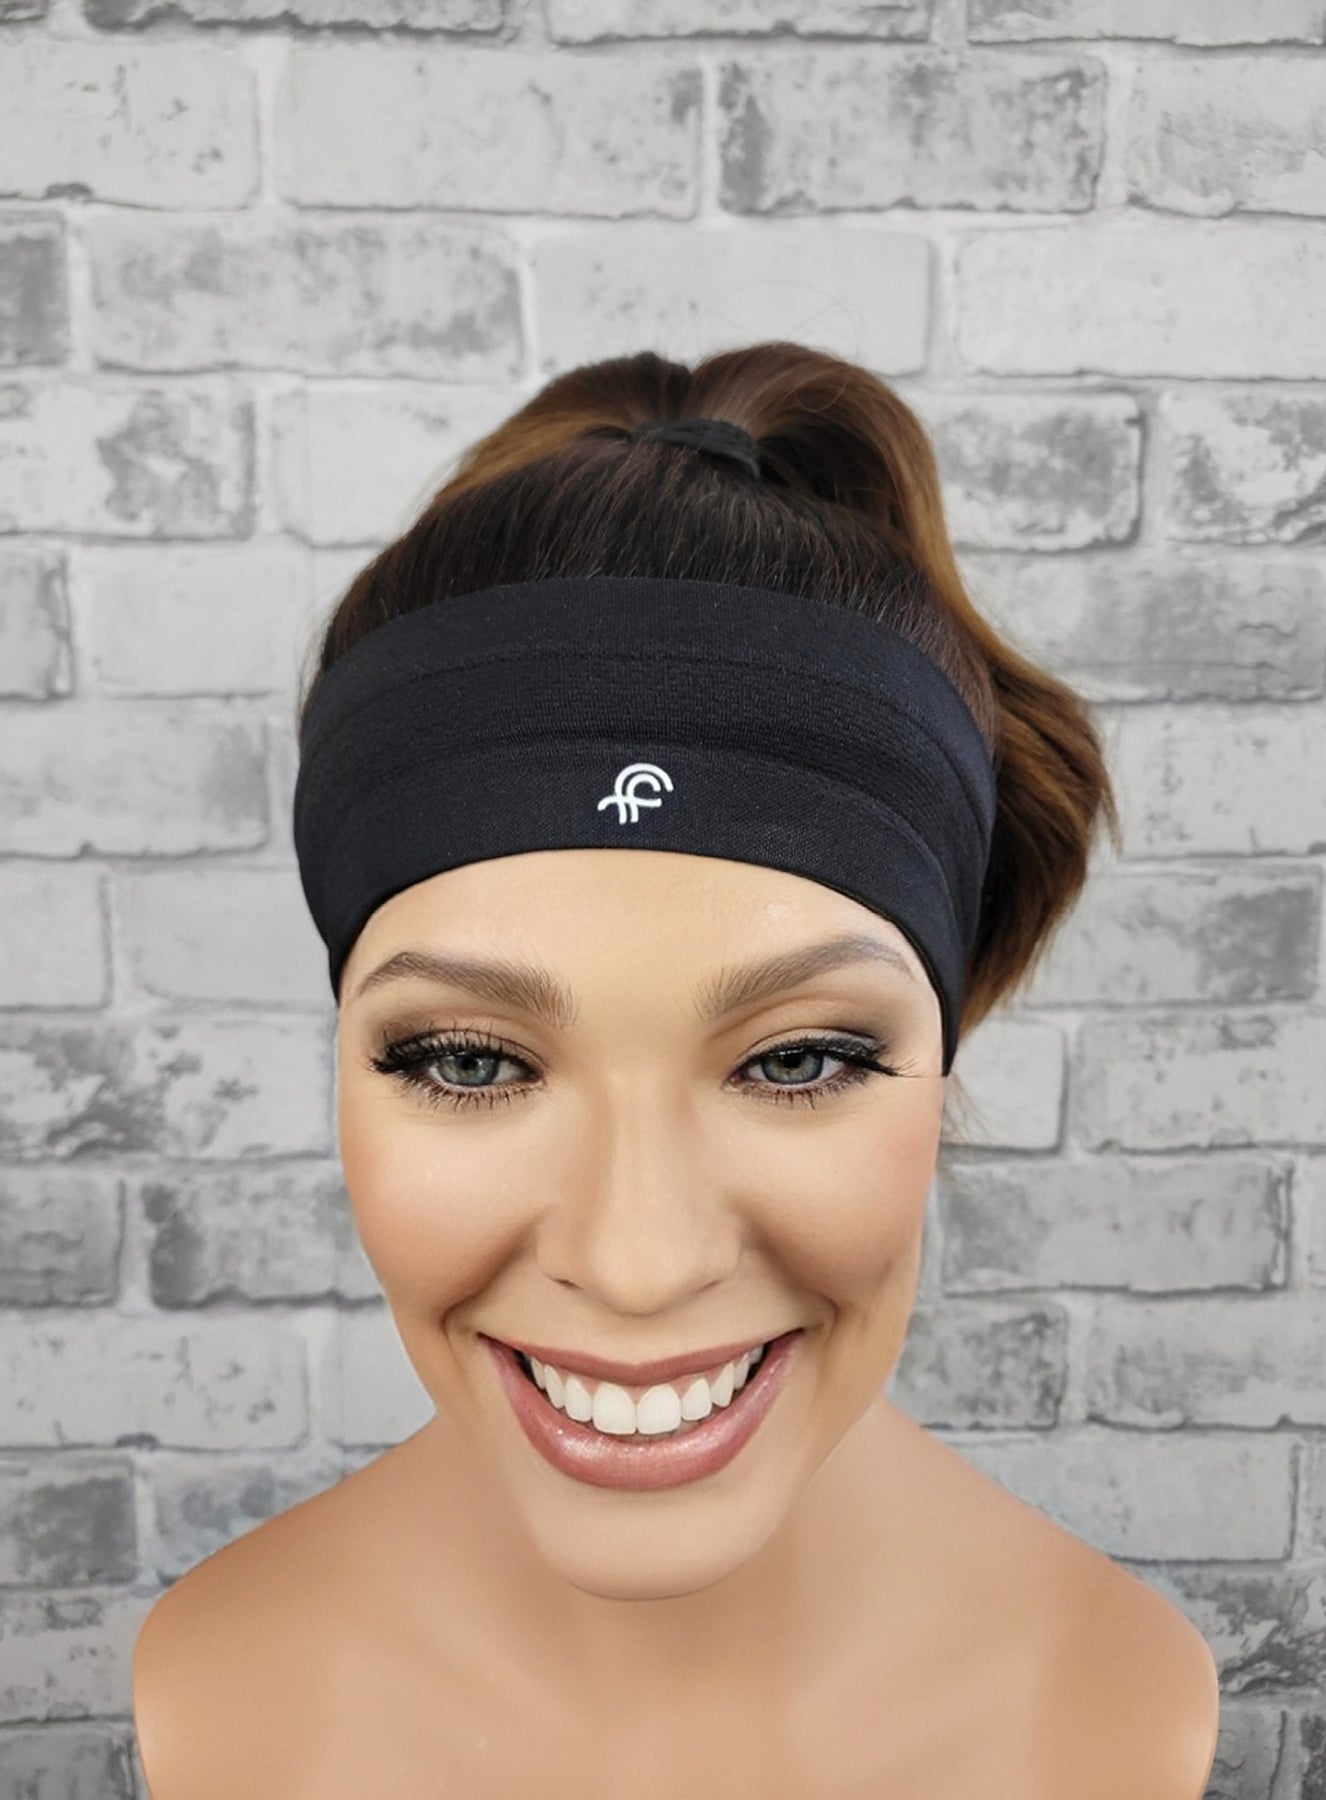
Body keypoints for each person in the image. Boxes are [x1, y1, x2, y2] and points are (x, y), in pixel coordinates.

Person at [131, 342, 1220, 1799]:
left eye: (797, 1059)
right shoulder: (218, 1684)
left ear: (941, 1066)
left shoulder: (1114, 1708)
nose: (636, 1265)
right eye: (469, 1061)